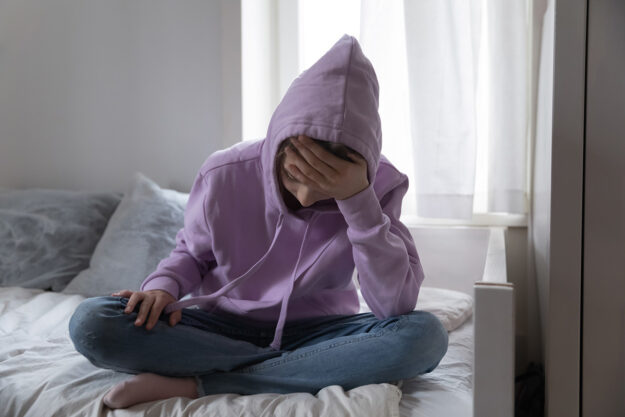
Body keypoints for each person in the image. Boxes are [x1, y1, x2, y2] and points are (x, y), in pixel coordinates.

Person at [68, 34, 448, 410]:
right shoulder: (224, 173)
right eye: (293, 178)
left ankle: (202, 383)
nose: (304, 198)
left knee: (424, 336)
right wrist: (162, 289)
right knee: (92, 321)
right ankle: (295, 372)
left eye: (324, 187)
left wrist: (358, 202)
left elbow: (394, 306)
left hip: (320, 334)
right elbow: (192, 254)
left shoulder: (380, 186)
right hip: (220, 328)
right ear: (275, 152)